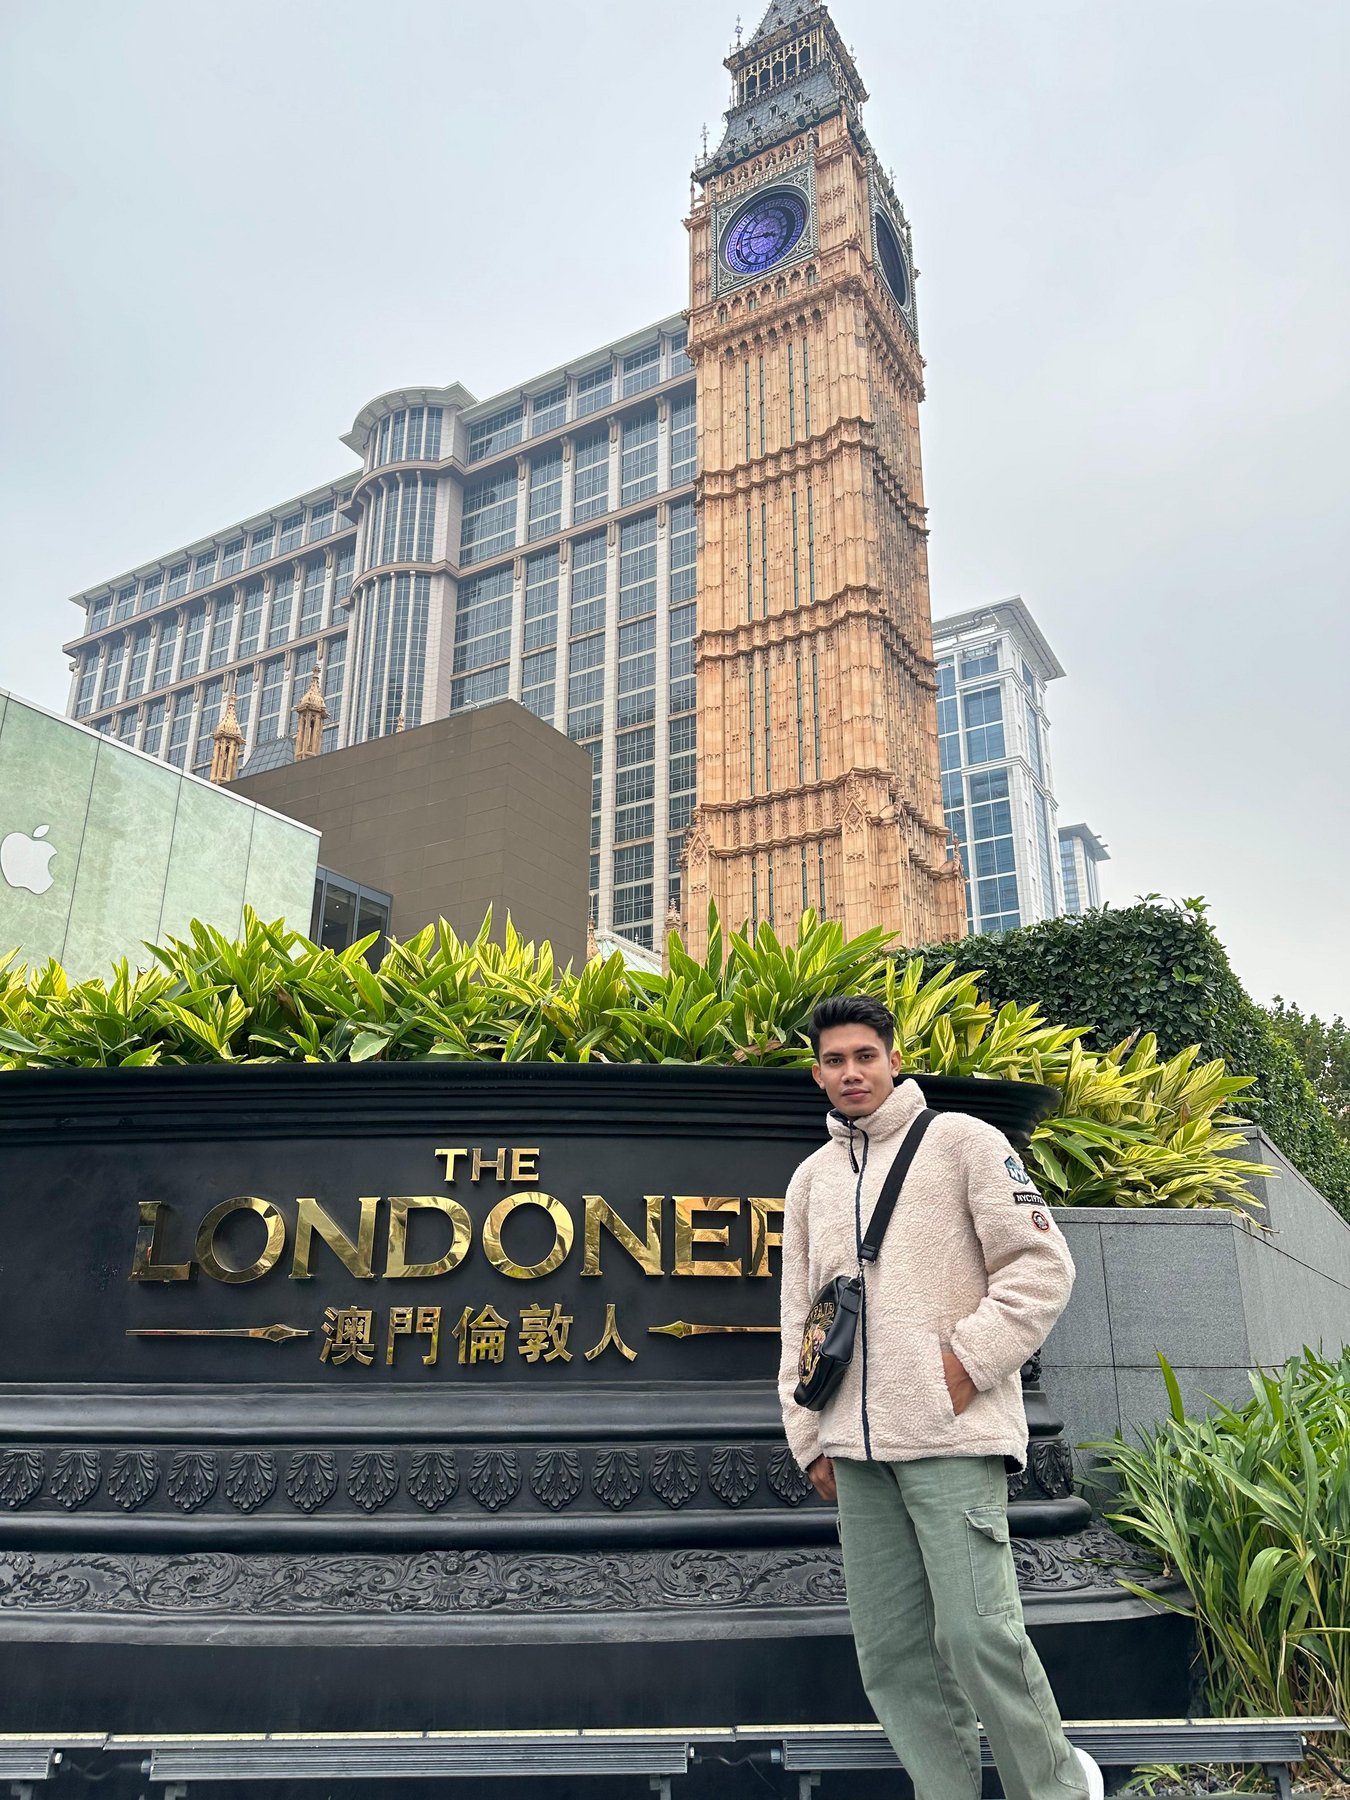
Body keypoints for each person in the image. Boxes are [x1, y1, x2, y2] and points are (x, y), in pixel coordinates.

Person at [778, 994, 1104, 1800]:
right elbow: (798, 1318)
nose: (851, 1072)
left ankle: (1059, 1790)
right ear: (817, 1074)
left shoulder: (963, 1141)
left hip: (950, 1437)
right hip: (854, 1452)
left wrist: (966, 1363)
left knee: (977, 1635)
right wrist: (808, 1434)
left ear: (894, 1059)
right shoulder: (812, 1179)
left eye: (865, 1055)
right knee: (892, 1656)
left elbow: (1041, 1267)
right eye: (834, 1060)